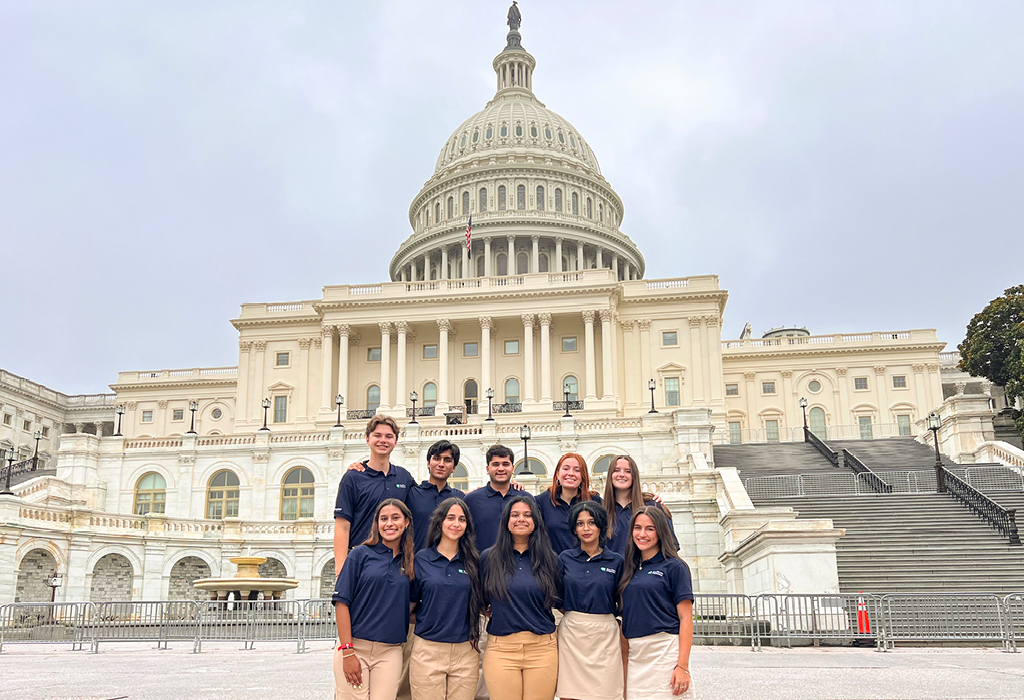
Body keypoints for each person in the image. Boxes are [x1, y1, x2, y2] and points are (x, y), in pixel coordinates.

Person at [333, 498, 416, 700]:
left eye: (395, 518)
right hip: (355, 646)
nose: (389, 524)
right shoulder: (360, 554)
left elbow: (412, 606)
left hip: (390, 652)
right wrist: (347, 651)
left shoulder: (411, 563)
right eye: (383, 519)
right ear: (377, 524)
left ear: (406, 523)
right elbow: (342, 603)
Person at [480, 495, 560, 700]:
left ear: (535, 522)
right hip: (501, 650)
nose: (521, 519)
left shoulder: (550, 559)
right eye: (515, 515)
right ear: (506, 521)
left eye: (527, 515)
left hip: (542, 649)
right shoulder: (490, 558)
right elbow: (480, 598)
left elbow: (562, 600)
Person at [409, 497, 483, 700]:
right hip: (428, 651)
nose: (456, 524)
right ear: (440, 522)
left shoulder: (474, 562)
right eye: (450, 518)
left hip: (466, 651)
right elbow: (409, 606)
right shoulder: (422, 559)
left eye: (462, 519)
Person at [618, 507, 693, 700]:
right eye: (637, 528)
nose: (642, 534)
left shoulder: (675, 567)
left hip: (665, 652)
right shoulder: (629, 569)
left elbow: (686, 619)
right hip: (636, 655)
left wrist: (682, 666)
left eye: (650, 529)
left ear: (660, 531)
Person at [555, 501, 624, 700]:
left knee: (606, 693)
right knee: (570, 694)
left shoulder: (616, 561)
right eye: (580, 523)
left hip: (605, 636)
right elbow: (557, 596)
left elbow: (621, 598)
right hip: (572, 634)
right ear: (574, 529)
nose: (586, 528)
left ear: (601, 526)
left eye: (591, 522)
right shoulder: (565, 558)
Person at [334, 415, 415, 574]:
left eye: (389, 436)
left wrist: (467, 494)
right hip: (361, 561)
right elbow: (342, 527)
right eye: (377, 435)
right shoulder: (353, 478)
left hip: (395, 562)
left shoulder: (404, 477)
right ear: (367, 439)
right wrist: (341, 571)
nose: (383, 440)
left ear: (396, 441)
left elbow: (426, 497)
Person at [464, 445, 534, 552]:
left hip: (518, 564)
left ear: (513, 468)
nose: (501, 469)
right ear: (487, 469)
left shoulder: (526, 499)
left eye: (505, 464)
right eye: (495, 464)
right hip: (480, 565)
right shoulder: (471, 500)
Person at [602, 455, 675, 556]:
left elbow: (670, 547)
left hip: (643, 570)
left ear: (634, 476)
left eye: (628, 471)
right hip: (611, 570)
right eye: (616, 470)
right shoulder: (601, 510)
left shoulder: (652, 506)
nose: (622, 474)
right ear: (610, 475)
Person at [536, 453, 601, 553]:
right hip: (553, 566)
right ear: (557, 473)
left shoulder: (595, 502)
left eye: (577, 470)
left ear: (583, 476)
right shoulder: (541, 502)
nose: (571, 473)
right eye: (566, 469)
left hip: (588, 565)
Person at [407, 440, 465, 551]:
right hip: (415, 562)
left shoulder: (459, 498)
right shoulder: (412, 494)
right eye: (437, 458)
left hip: (449, 563)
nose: (441, 464)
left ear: (454, 468)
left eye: (447, 460)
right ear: (428, 463)